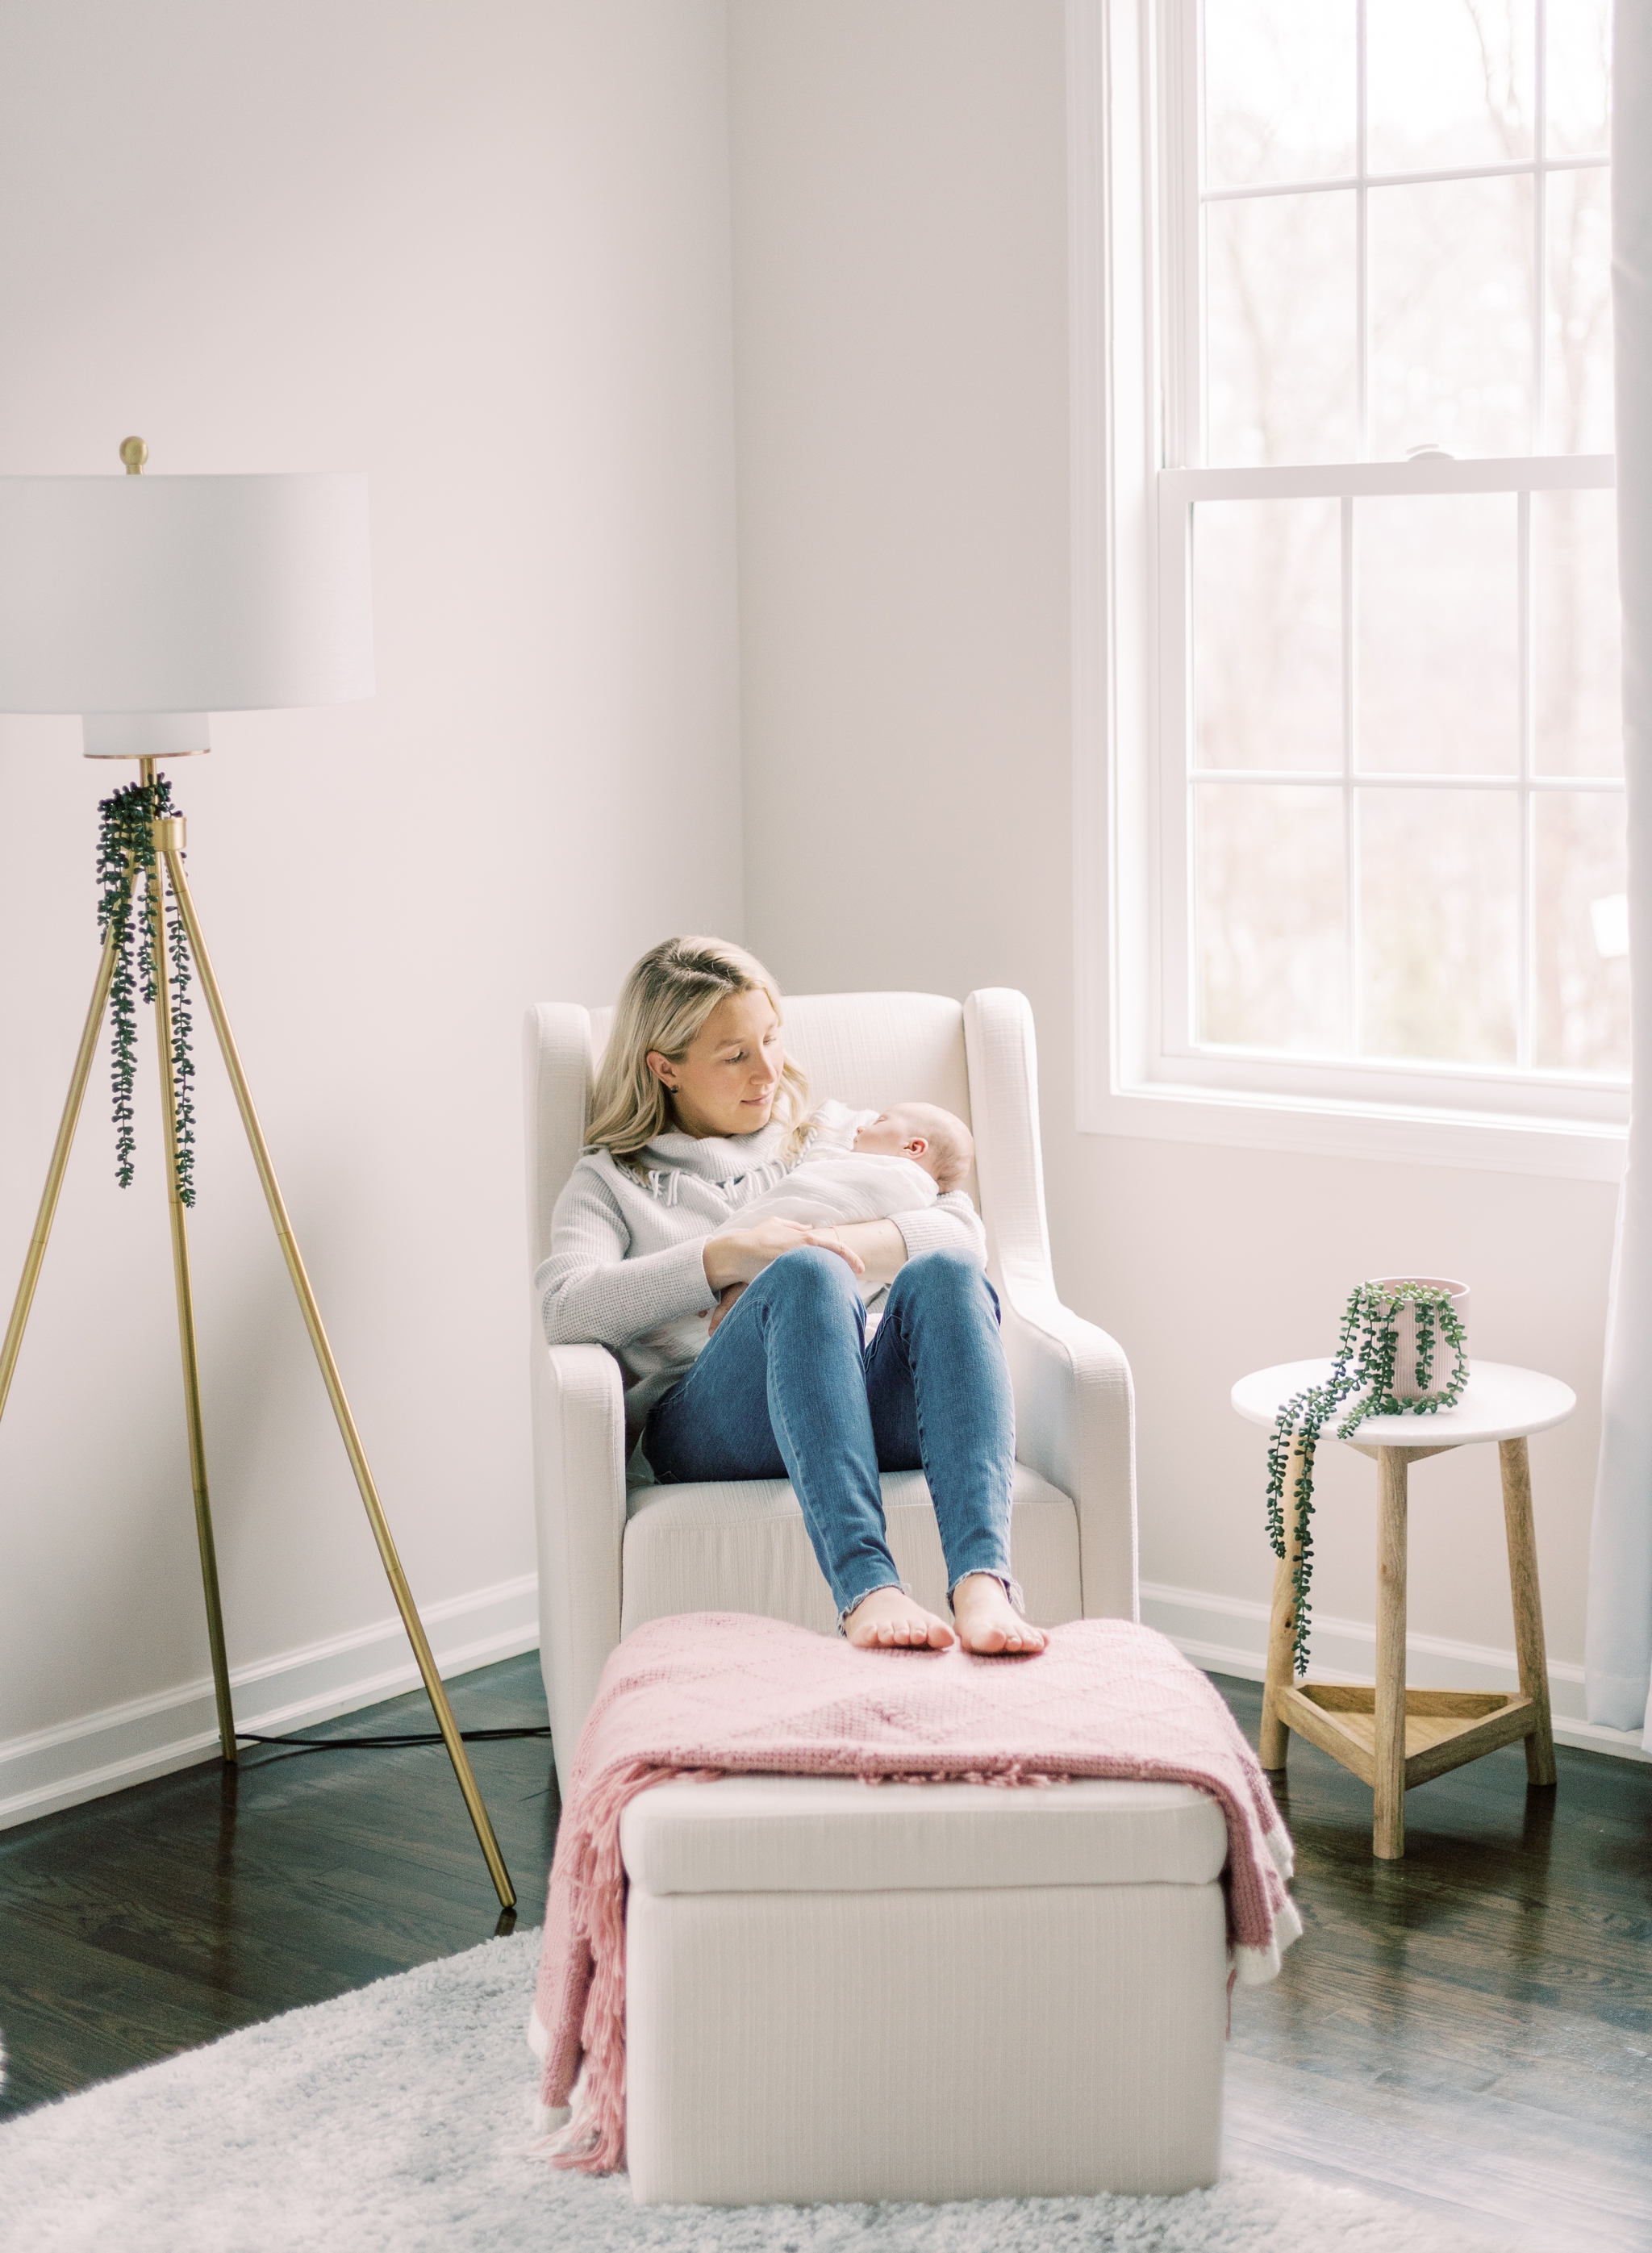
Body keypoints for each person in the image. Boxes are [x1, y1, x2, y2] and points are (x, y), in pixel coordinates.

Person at [535, 937, 1044, 1655]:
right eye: (735, 1053)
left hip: (862, 1393)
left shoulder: (832, 1134)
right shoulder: (612, 1181)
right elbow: (564, 1305)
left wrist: (840, 1245)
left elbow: (960, 1228)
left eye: (771, 1038)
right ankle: (868, 1586)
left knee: (950, 1275)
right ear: (665, 1067)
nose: (768, 1069)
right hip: (717, 1424)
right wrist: (727, 1256)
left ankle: (983, 1582)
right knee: (805, 1278)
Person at [701, 1099, 974, 1333]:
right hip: (788, 1326)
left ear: (913, 1148)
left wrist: (772, 1257)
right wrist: (737, 1257)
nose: (861, 1127)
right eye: (733, 1057)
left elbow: (964, 1238)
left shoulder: (903, 1182)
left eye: (878, 1122)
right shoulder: (855, 1155)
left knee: (957, 1271)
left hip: (835, 1319)